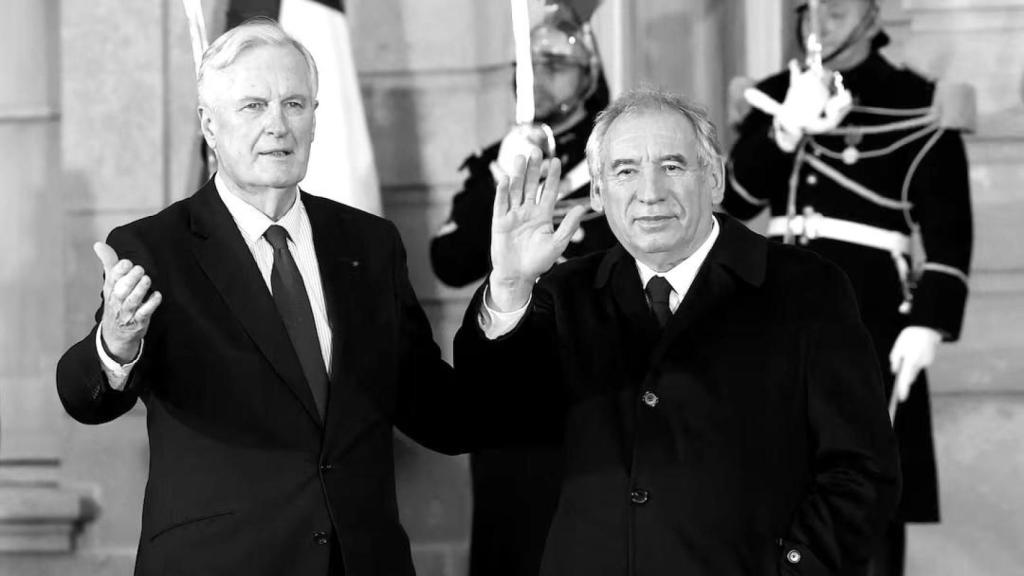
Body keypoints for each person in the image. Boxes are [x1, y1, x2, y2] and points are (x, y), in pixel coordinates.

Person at [56, 20, 478, 576]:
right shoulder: (154, 248)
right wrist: (116, 342)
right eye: (253, 106)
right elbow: (84, 396)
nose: (278, 125)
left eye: (295, 104)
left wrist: (511, 292)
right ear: (209, 124)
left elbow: (442, 416)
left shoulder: (370, 245)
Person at [454, 87, 901, 575]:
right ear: (599, 193)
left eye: (671, 166)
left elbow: (862, 471)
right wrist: (510, 284)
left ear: (714, 179)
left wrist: (794, 568)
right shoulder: (563, 294)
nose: (650, 193)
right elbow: (483, 412)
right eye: (625, 171)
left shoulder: (806, 289)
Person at [721, 2, 973, 574]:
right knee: (773, 494)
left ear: (871, 13)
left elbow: (949, 233)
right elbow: (733, 205)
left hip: (871, 321)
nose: (820, 22)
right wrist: (783, 131)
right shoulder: (772, 94)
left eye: (837, 9)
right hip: (774, 324)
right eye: (810, 9)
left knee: (868, 497)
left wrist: (928, 321)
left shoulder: (915, 99)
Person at [430, 4, 617, 576]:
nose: (541, 76)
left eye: (557, 65)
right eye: (532, 66)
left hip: (599, 378)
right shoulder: (497, 159)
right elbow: (450, 262)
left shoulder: (613, 155)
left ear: (587, 72)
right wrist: (501, 182)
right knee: (512, 539)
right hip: (513, 382)